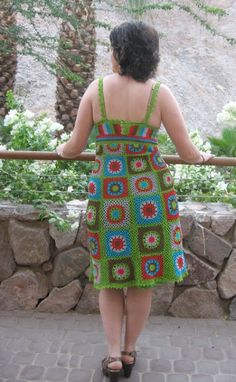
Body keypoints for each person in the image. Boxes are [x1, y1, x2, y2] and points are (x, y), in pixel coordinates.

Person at [56, 21, 214, 382]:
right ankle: (129, 351)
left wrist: (59, 150)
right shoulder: (160, 94)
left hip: (109, 197)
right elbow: (187, 152)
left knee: (110, 278)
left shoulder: (95, 90)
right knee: (142, 280)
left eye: (112, 48)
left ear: (123, 52)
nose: (109, 54)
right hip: (149, 199)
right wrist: (201, 158)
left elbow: (75, 147)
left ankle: (112, 356)